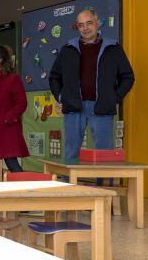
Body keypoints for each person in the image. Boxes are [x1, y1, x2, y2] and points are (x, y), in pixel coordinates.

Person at [49, 8, 134, 163]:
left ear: (97, 23)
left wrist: (114, 98)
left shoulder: (113, 48)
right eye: (81, 25)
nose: (85, 28)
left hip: (101, 108)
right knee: (71, 153)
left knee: (104, 154)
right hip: (74, 108)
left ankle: (103, 187)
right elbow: (54, 77)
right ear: (77, 27)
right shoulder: (67, 49)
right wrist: (62, 97)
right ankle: (69, 186)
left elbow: (128, 77)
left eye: (89, 23)